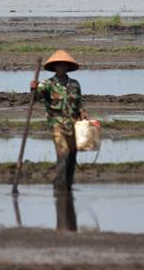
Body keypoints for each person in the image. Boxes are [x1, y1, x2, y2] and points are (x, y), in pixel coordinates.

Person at [30, 50, 88, 191]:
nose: (62, 67)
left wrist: (83, 113)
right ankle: (59, 185)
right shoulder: (47, 84)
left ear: (68, 67)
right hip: (56, 124)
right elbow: (36, 97)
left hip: (73, 124)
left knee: (72, 155)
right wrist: (33, 89)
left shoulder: (75, 84)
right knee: (63, 153)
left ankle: (68, 185)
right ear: (55, 67)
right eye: (59, 65)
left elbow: (79, 104)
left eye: (64, 65)